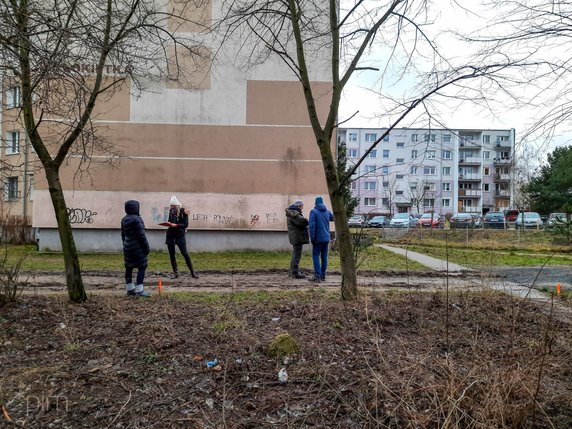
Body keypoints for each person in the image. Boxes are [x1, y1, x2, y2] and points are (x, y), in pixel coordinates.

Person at [121, 200, 151, 297]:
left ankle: (130, 289)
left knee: (129, 267)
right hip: (138, 248)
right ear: (136, 208)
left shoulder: (124, 219)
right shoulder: (137, 219)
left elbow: (123, 234)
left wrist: (125, 245)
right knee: (142, 267)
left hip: (127, 247)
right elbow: (142, 236)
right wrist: (147, 248)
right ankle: (140, 290)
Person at [165, 195, 198, 279]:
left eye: (173, 206)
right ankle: (175, 273)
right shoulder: (171, 211)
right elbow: (170, 221)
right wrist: (168, 223)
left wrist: (176, 225)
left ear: (177, 205)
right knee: (172, 255)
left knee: (185, 253)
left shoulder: (183, 212)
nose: (172, 208)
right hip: (170, 235)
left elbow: (185, 224)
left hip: (180, 235)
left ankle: (192, 272)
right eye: (171, 206)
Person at [308, 196, 334, 282]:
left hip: (317, 238)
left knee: (316, 256)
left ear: (315, 203)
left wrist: (312, 237)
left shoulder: (313, 212)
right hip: (326, 238)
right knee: (324, 257)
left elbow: (312, 226)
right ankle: (323, 275)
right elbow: (333, 218)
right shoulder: (327, 211)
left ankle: (317, 275)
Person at [285, 199, 309, 278]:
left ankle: (292, 271)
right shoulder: (294, 213)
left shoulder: (292, 212)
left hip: (296, 236)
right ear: (299, 206)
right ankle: (294, 273)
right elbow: (301, 222)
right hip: (297, 237)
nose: (302, 208)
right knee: (296, 254)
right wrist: (307, 220)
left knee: (295, 254)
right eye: (302, 206)